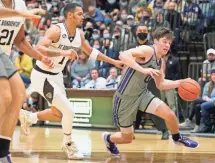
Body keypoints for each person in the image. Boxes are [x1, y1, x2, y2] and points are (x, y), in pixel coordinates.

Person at [19, 3, 123, 160]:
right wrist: (63, 52)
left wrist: (113, 62)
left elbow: (91, 51)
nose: (83, 17)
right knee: (69, 111)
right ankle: (68, 144)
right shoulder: (56, 30)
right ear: (70, 15)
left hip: (57, 76)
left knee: (58, 113)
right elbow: (39, 48)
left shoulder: (79, 35)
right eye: (80, 14)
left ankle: (29, 117)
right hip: (42, 75)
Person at [102, 27, 198, 156]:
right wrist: (144, 70)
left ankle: (177, 138)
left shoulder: (160, 61)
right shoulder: (147, 50)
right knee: (127, 138)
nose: (167, 45)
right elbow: (123, 55)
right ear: (155, 41)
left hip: (142, 94)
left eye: (169, 43)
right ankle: (108, 139)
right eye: (164, 41)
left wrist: (181, 82)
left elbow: (161, 84)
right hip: (124, 98)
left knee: (169, 114)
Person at [0, 6, 55, 163]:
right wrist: (20, 14)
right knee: (4, 96)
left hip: (2, 53)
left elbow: (20, 40)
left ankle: (2, 152)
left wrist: (40, 57)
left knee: (19, 94)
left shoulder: (19, 3)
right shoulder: (19, 10)